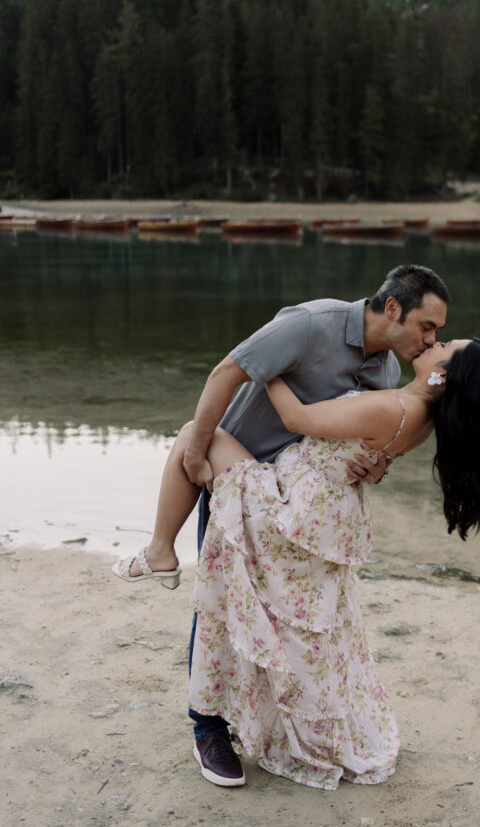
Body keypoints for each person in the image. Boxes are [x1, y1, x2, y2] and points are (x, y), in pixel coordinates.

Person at [112, 264, 451, 783]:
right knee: (221, 604)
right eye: (427, 326)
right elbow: (225, 373)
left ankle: (261, 718)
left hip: (299, 510)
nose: (432, 338)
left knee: (280, 624)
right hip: (239, 481)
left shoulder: (385, 372)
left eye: (437, 333)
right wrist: (200, 456)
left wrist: (374, 464)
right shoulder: (308, 324)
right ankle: (208, 728)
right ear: (391, 308)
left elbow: (365, 438)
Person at [186, 337, 480, 790]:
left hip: (289, 512)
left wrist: (268, 365)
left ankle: (159, 549)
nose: (437, 340)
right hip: (325, 520)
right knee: (301, 631)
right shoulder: (422, 419)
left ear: (446, 375)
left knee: (198, 434)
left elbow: (296, 418)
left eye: (447, 344)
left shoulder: (393, 407)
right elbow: (369, 453)